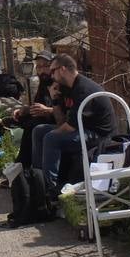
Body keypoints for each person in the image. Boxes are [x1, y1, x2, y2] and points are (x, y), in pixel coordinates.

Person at [30, 54, 114, 194]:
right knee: (39, 130)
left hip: (98, 134)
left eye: (53, 71)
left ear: (62, 69)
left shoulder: (83, 89)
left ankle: (50, 189)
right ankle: (38, 179)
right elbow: (61, 122)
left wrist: (52, 134)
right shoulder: (66, 87)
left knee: (51, 138)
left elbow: (69, 127)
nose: (51, 75)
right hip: (81, 129)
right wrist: (55, 99)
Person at [8, 51, 57, 167]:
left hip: (61, 123)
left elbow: (66, 111)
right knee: (17, 120)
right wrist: (26, 110)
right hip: (45, 118)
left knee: (33, 127)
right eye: (39, 67)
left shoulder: (59, 83)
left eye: (46, 66)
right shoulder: (43, 84)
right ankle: (22, 166)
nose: (42, 70)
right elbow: (39, 106)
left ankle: (25, 166)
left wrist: (48, 110)